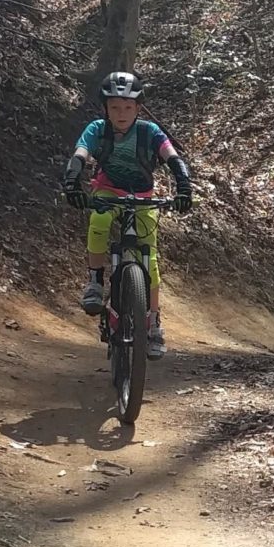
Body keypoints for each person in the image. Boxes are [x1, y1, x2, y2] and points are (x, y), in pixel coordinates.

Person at [63, 70, 194, 358]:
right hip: (108, 190)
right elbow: (80, 154)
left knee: (152, 259)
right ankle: (95, 282)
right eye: (114, 108)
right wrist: (72, 180)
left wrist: (184, 186)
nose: (121, 113)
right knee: (98, 221)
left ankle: (154, 323)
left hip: (142, 196)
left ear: (138, 108)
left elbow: (172, 156)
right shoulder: (98, 129)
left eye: (128, 107)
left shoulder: (150, 132)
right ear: (106, 109)